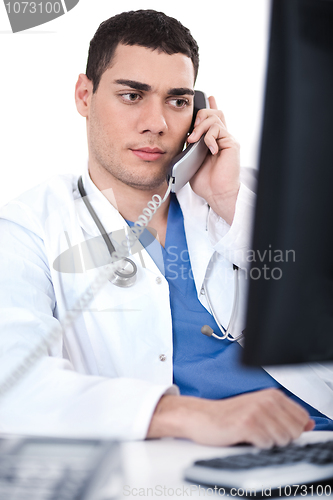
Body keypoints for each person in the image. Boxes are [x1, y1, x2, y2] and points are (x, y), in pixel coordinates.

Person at [0, 9, 332, 449]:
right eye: (132, 96)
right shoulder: (30, 227)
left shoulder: (244, 194)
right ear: (84, 94)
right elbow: (13, 383)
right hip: (197, 466)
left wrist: (231, 203)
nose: (156, 123)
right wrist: (188, 414)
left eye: (176, 101)